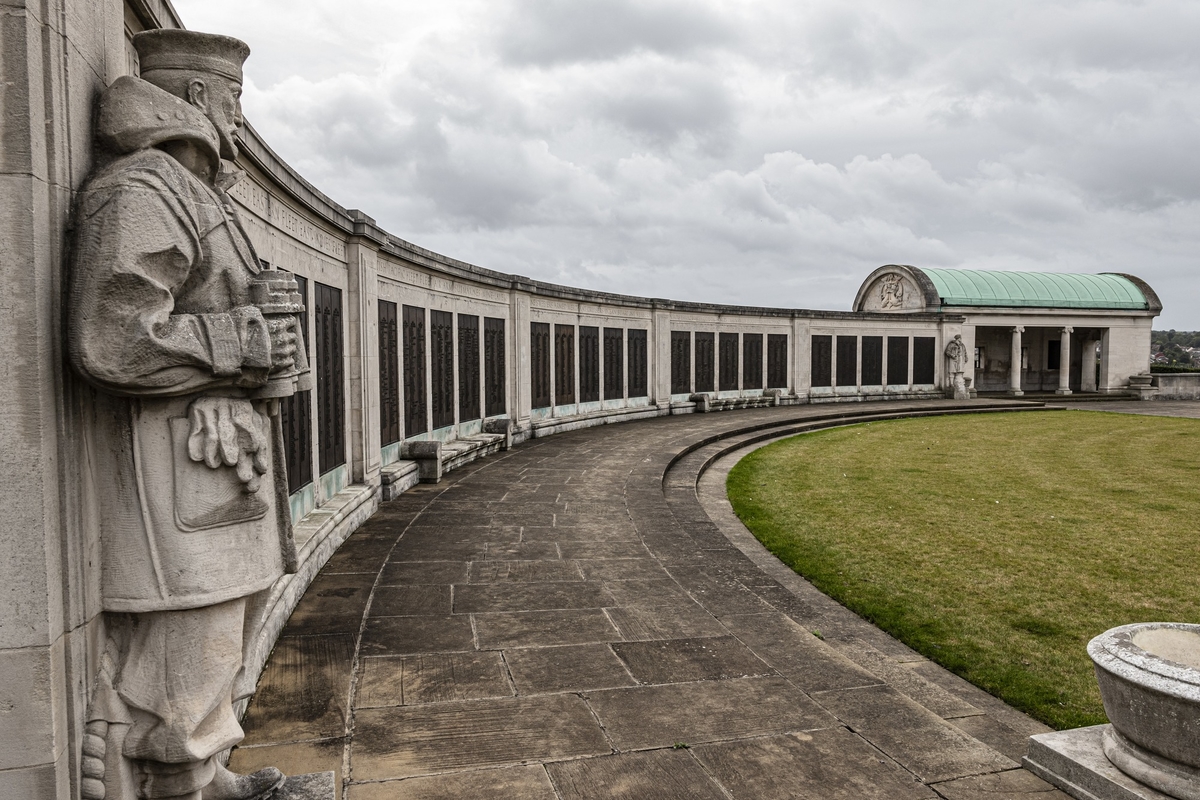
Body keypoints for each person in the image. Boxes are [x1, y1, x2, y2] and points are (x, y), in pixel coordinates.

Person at [69, 29, 299, 800]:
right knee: (188, 645)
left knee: (219, 637)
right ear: (199, 99)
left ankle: (205, 773)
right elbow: (112, 338)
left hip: (220, 477)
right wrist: (246, 336)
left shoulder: (196, 194)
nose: (239, 119)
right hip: (179, 476)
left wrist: (260, 329)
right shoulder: (144, 188)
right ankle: (179, 783)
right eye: (234, 101)